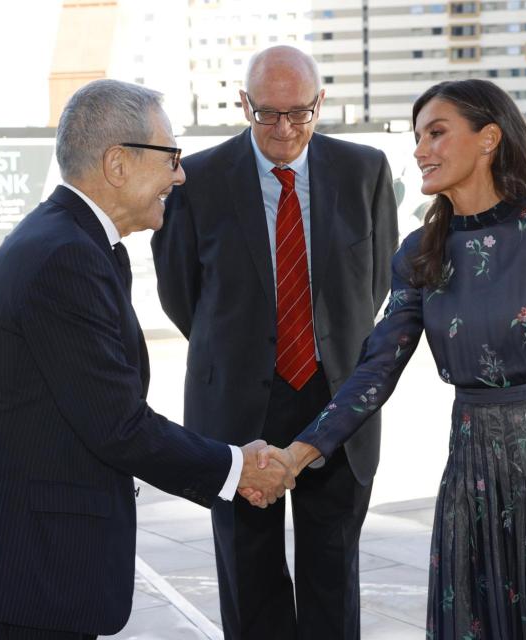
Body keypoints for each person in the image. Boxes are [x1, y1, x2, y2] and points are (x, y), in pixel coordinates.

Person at [261, 79, 526, 639]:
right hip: (472, 473)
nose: (420, 150)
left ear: (488, 138)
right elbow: (375, 370)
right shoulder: (418, 253)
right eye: (417, 136)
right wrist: (298, 453)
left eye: (436, 133)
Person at [0, 79, 294, 640]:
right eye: (171, 155)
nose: (180, 173)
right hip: (31, 563)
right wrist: (236, 467)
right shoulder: (65, 258)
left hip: (33, 554)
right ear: (118, 163)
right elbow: (118, 424)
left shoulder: (72, 242)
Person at [151, 46, 398, 639]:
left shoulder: (365, 171)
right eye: (267, 114)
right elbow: (181, 295)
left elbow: (379, 282)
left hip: (336, 401)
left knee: (333, 577)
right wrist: (242, 353)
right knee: (248, 577)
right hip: (237, 408)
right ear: (243, 105)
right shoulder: (197, 179)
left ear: (319, 103)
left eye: (300, 113)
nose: (285, 129)